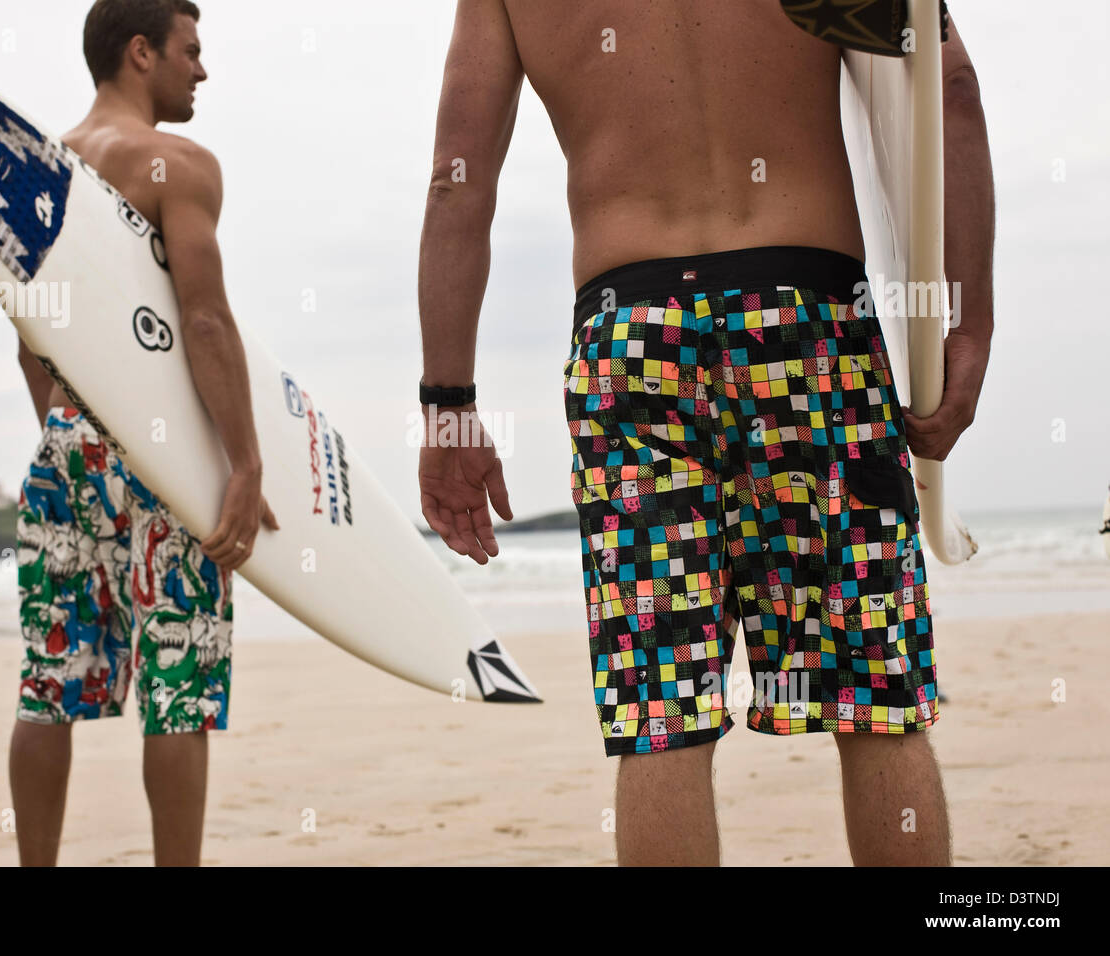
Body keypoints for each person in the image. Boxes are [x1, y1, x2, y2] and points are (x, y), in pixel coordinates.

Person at [417, 0, 993, 865]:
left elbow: (457, 180)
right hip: (809, 325)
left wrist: (449, 403)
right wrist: (969, 324)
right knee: (877, 696)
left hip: (631, 337)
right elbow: (947, 90)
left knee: (662, 717)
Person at [12, 0, 278, 867]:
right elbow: (204, 320)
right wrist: (244, 462)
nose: (202, 70)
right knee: (179, 684)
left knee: (48, 684)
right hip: (161, 456)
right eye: (191, 51)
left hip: (64, 446)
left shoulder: (38, 169)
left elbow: (30, 335)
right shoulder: (177, 163)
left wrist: (70, 441)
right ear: (141, 52)